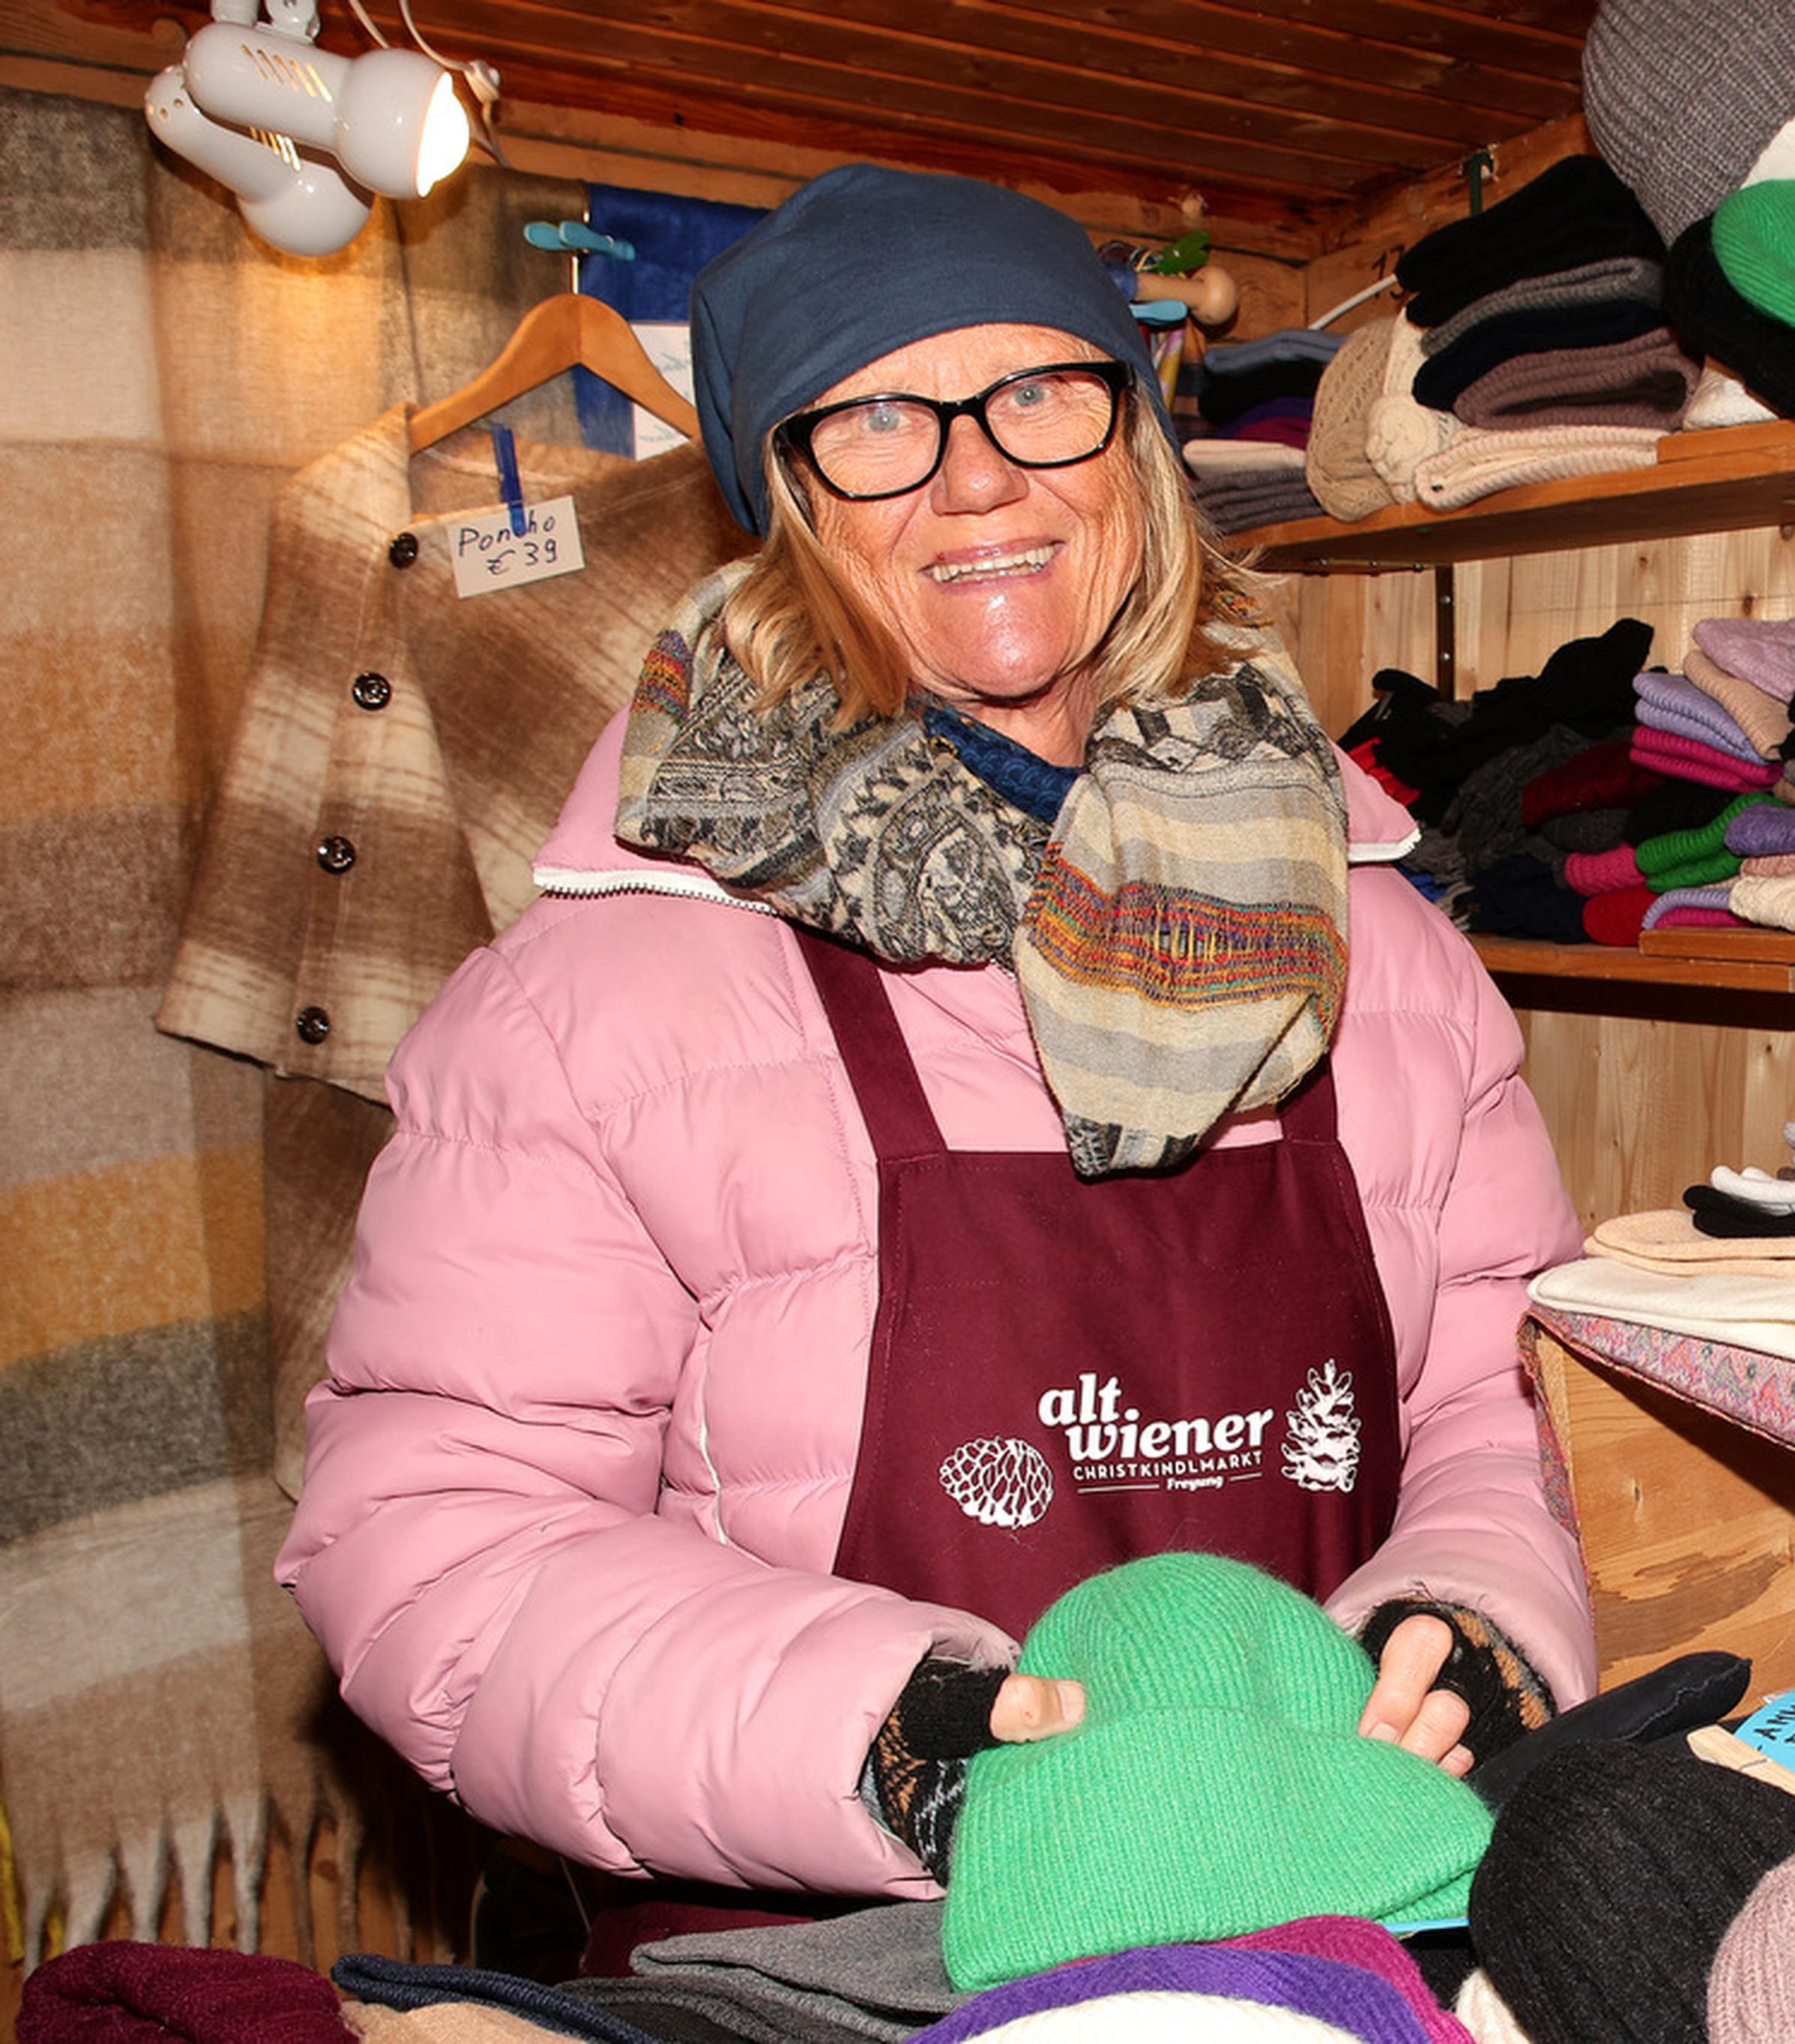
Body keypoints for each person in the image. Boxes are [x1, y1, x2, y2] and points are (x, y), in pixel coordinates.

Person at [275, 164, 1597, 1901]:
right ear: (786, 496)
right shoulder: (592, 1011)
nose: (980, 471)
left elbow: (1490, 1418)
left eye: (1044, 393)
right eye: (880, 417)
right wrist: (896, 1748)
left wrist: (1474, 1630)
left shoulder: (1396, 960)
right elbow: (440, 1544)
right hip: (830, 1964)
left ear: (1136, 443)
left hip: (1340, 1894)